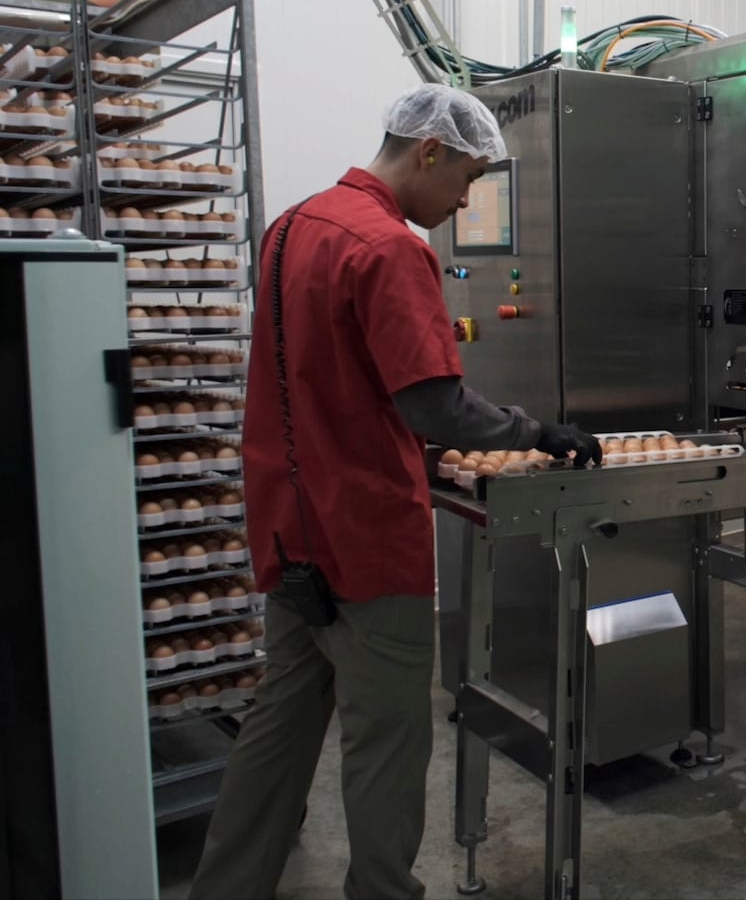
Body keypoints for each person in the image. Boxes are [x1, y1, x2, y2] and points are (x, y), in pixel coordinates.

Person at [189, 83, 601, 900]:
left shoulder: (291, 227)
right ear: (430, 152)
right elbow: (434, 404)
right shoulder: (387, 246)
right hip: (366, 544)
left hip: (289, 533)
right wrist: (536, 431)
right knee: (385, 746)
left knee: (279, 730)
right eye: (469, 179)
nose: (466, 200)